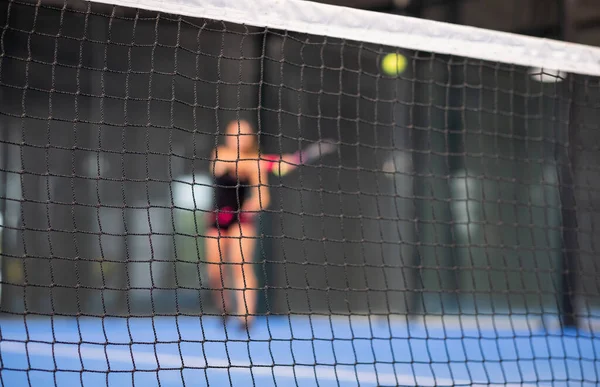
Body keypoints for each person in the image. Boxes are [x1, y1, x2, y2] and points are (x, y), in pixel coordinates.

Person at [206, 119, 337, 329]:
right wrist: (269, 163)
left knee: (241, 265)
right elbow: (221, 166)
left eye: (244, 134)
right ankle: (224, 307)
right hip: (218, 217)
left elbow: (263, 197)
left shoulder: (257, 163)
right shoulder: (220, 154)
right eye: (235, 134)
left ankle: (246, 317)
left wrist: (253, 204)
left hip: (243, 218)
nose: (239, 138)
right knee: (215, 270)